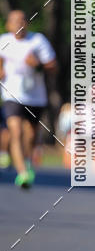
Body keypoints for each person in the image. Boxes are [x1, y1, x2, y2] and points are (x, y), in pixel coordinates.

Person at [0, 10, 57, 187]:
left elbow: (53, 67)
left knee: (30, 136)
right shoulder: (3, 41)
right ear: (8, 25)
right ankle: (23, 173)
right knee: (15, 131)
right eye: (14, 21)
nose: (18, 24)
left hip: (35, 97)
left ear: (27, 24)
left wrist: (38, 65)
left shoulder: (38, 41)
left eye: (22, 20)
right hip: (12, 94)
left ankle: (27, 161)